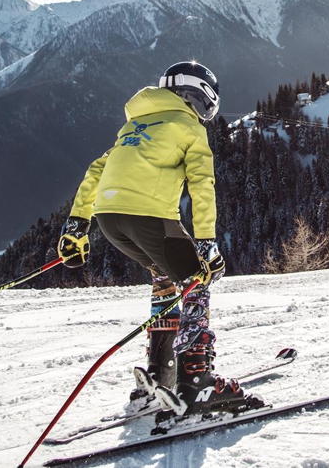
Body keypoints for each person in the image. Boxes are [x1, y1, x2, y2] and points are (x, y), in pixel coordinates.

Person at [56, 61, 256, 415]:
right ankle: (198, 383)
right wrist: (207, 242)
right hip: (150, 219)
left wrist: (76, 226)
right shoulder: (189, 127)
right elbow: (202, 186)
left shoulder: (136, 124)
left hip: (109, 219)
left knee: (165, 277)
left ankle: (161, 371)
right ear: (200, 97)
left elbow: (95, 171)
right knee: (198, 280)